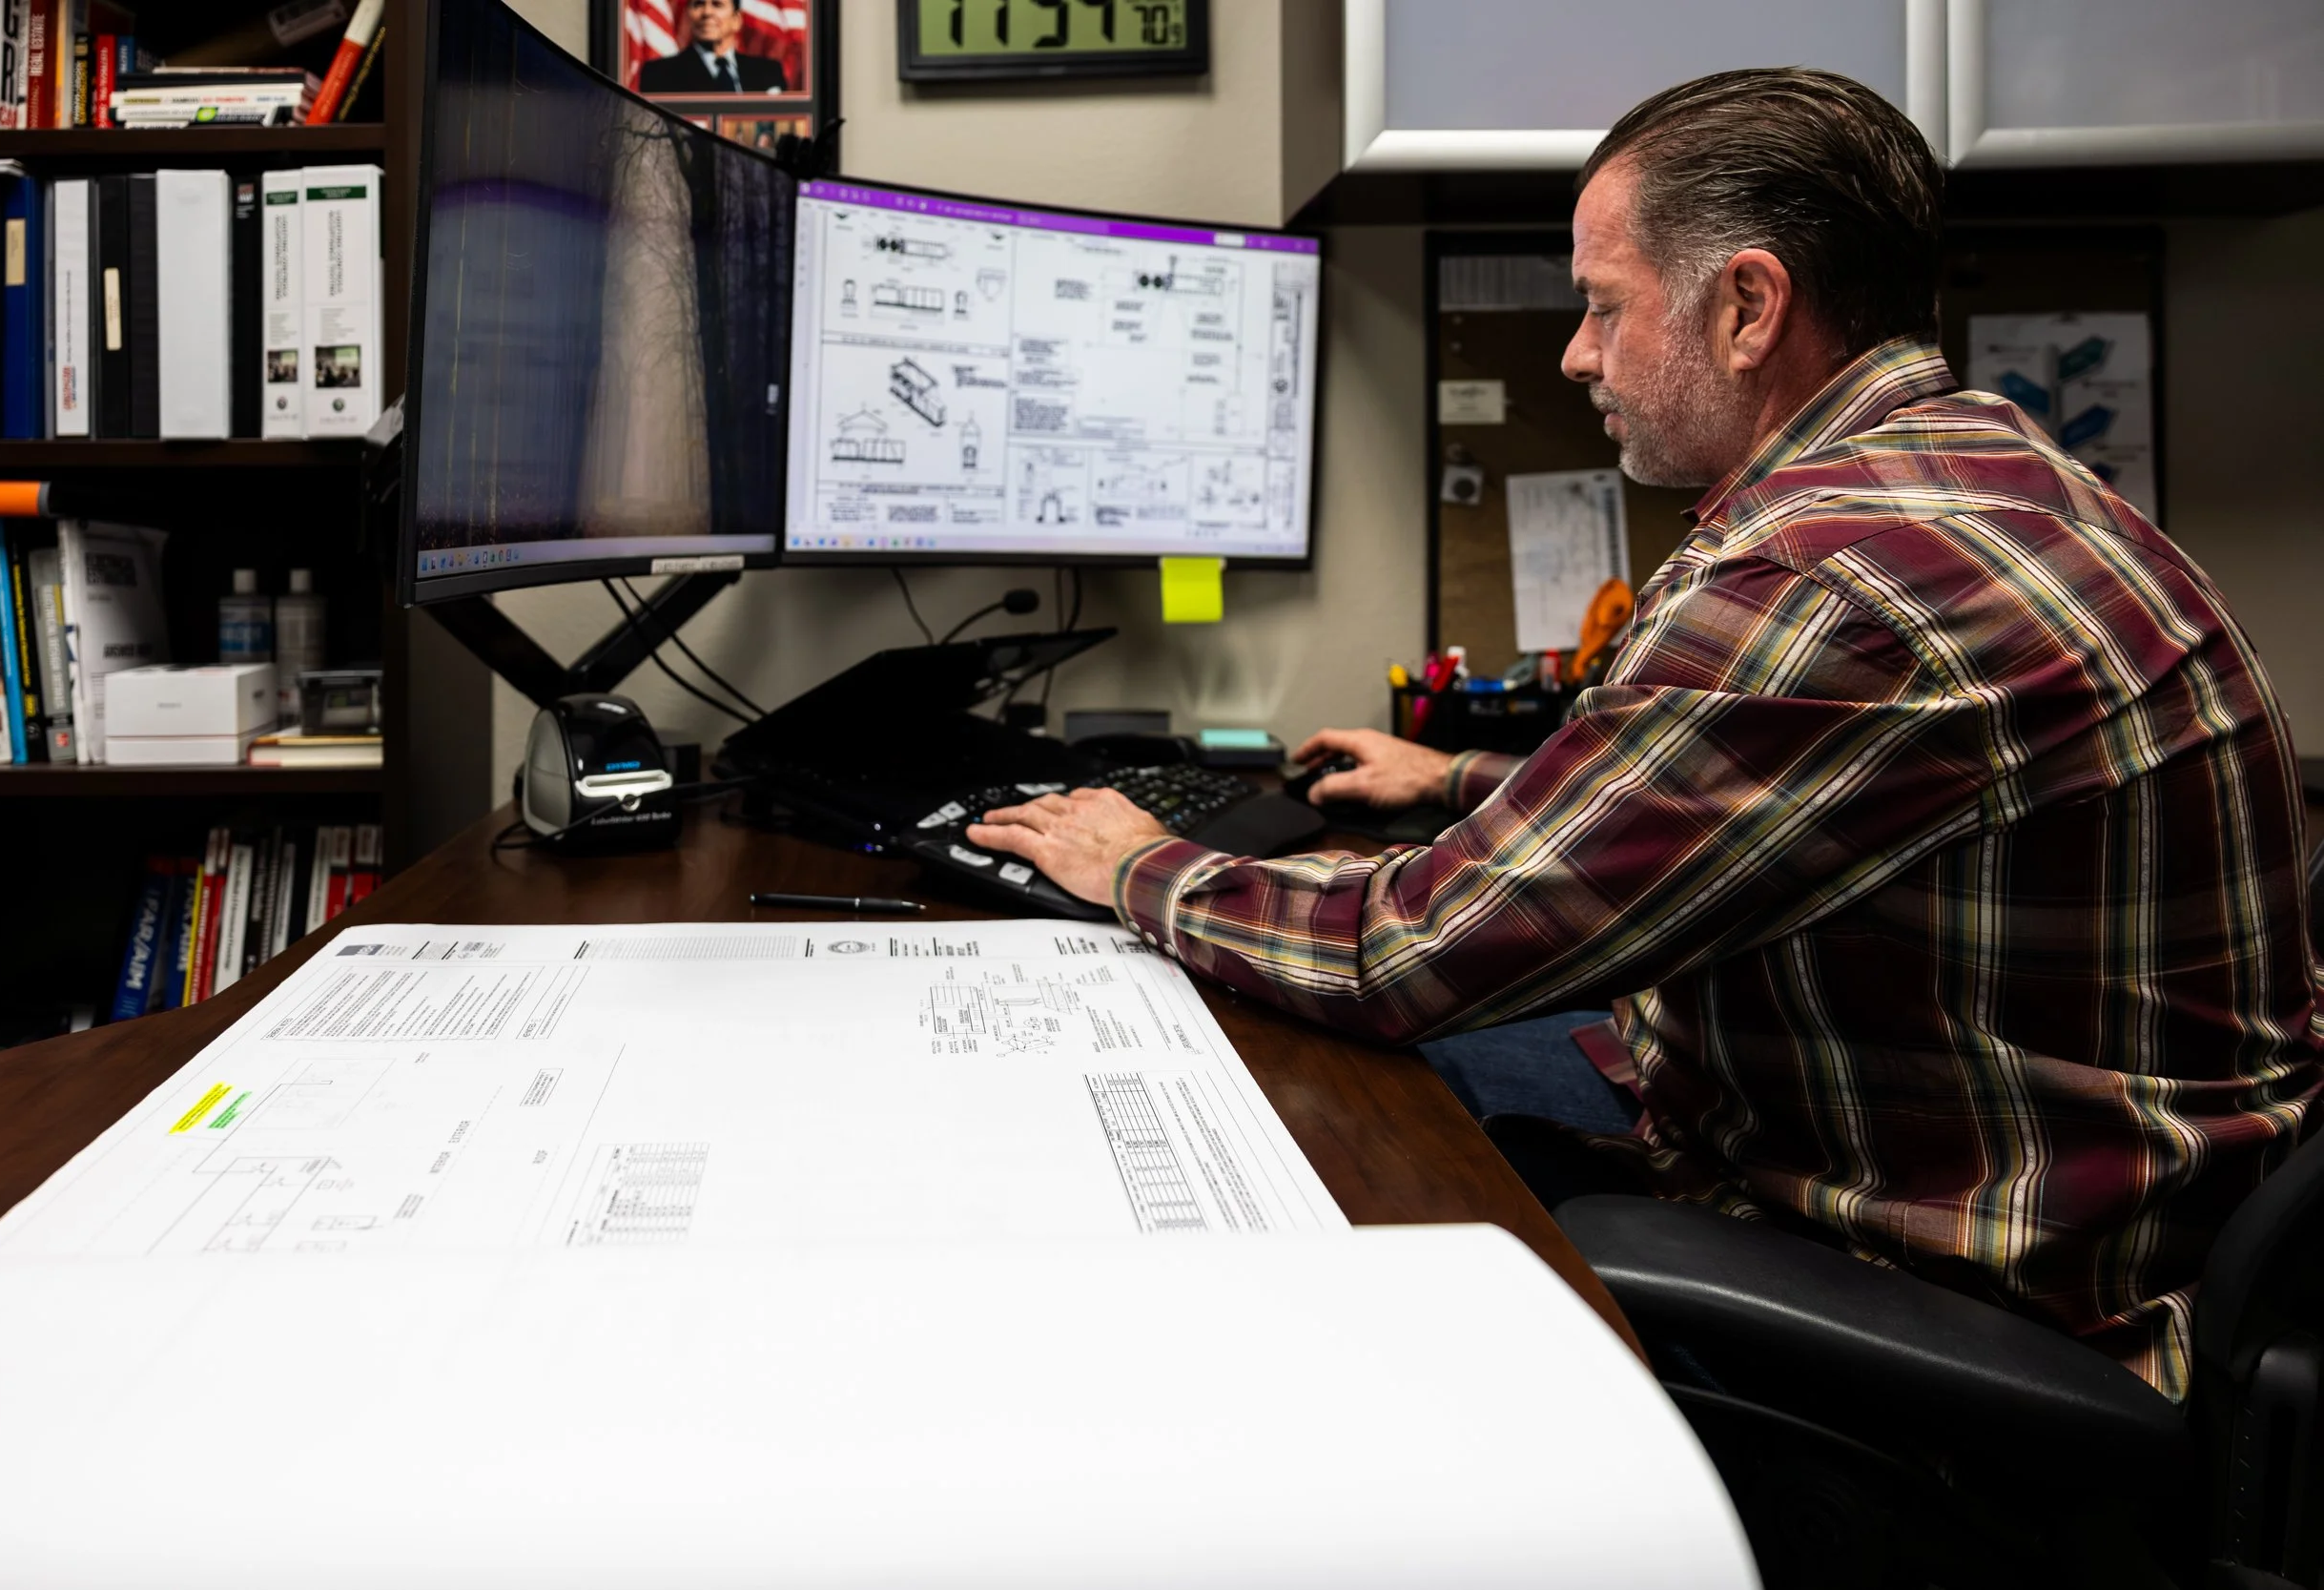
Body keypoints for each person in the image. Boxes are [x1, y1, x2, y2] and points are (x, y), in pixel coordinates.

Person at [968, 67, 2323, 1401]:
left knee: (1289, 1174)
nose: (1574, 352)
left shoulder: (1826, 578)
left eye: (1601, 305)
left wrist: (1134, 858)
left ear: (1745, 305)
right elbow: (1790, 795)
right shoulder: (1988, 477)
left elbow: (1408, 954)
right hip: (2032, 1188)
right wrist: (1459, 777)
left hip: (1973, 1294)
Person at [636, 0, 789, 95]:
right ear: (689, 15)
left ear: (736, 20)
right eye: (698, 4)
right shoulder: (659, 74)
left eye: (717, 4)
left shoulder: (769, 73)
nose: (707, 12)